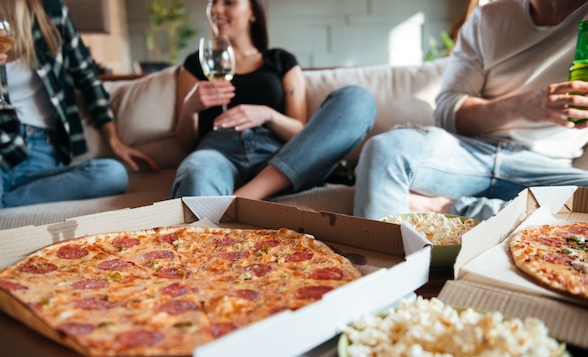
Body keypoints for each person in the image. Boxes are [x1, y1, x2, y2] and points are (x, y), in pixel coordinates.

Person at [354, 0, 588, 221]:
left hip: (547, 167)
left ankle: (445, 209)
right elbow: (448, 114)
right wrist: (523, 107)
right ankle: (389, 263)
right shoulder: (488, 18)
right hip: (469, 154)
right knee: (385, 151)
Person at [0, 0, 157, 227]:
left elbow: (87, 77)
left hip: (45, 151)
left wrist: (114, 141)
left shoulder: (48, 11)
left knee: (112, 174)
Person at [171, 0, 376, 199]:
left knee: (358, 99)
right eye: (212, 2)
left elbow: (300, 131)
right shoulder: (196, 63)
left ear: (253, 13)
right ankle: (225, 212)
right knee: (196, 174)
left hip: (282, 159)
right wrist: (190, 108)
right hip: (218, 154)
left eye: (228, 2)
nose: (216, 9)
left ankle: (246, 196)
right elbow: (184, 143)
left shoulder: (281, 61)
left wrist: (267, 115)